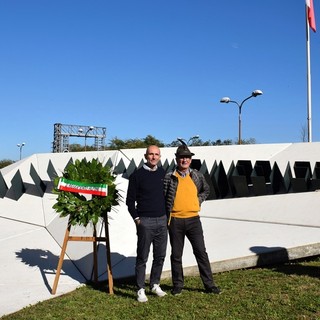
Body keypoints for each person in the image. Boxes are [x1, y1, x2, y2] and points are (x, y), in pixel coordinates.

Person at [163, 144, 221, 296]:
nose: (185, 160)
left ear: (190, 160)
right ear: (177, 159)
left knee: (201, 252)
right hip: (175, 220)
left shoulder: (196, 175)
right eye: (182, 157)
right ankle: (177, 285)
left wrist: (198, 200)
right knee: (176, 255)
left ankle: (209, 285)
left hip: (194, 220)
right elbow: (163, 197)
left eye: (187, 157)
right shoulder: (169, 177)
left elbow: (206, 190)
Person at [126, 145, 168, 302]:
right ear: (145, 156)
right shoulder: (137, 175)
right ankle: (140, 289)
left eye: (156, 154)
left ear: (160, 156)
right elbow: (130, 201)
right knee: (142, 256)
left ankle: (155, 284)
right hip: (146, 222)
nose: (154, 157)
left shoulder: (164, 174)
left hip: (162, 220)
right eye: (151, 154)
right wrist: (137, 219)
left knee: (160, 255)